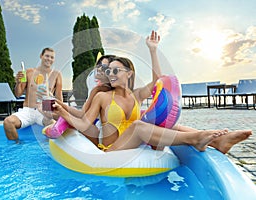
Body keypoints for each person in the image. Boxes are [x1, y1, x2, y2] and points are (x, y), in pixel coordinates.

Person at [51, 30, 252, 153]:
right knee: (139, 125)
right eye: (107, 70)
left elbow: (158, 81)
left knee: (172, 125)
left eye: (115, 70)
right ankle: (196, 139)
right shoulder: (102, 96)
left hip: (137, 144)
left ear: (128, 74)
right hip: (112, 150)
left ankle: (219, 141)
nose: (110, 73)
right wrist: (62, 112)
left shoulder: (136, 95)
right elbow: (85, 124)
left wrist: (153, 50)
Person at [44, 54, 115, 144]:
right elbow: (82, 113)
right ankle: (60, 124)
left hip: (102, 136)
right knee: (66, 117)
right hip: (98, 129)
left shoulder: (100, 92)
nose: (99, 68)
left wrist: (62, 112)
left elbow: (83, 119)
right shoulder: (98, 90)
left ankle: (60, 126)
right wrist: (58, 102)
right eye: (98, 65)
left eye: (104, 66)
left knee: (66, 118)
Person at [3, 47, 63, 141]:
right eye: (47, 56)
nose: (49, 59)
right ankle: (17, 147)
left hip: (45, 111)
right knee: (8, 122)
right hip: (28, 110)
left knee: (55, 127)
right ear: (41, 56)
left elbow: (59, 97)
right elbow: (18, 94)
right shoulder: (29, 72)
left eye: (52, 57)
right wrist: (18, 82)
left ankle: (47, 148)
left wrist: (58, 112)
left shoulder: (57, 74)